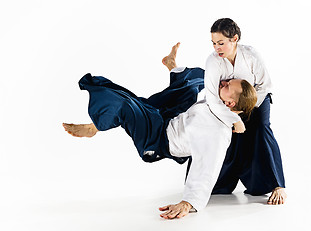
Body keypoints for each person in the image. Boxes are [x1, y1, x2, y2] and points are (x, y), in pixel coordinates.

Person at [63, 43, 258, 219]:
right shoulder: (222, 105)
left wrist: (189, 202)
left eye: (227, 86)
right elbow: (220, 87)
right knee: (196, 81)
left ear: (230, 103)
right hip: (173, 116)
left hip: (159, 138)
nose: (223, 82)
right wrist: (236, 119)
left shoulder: (217, 134)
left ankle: (94, 127)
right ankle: (172, 65)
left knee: (125, 104)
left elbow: (207, 168)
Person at [205, 18, 286, 205]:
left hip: (257, 99)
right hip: (225, 105)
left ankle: (277, 184)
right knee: (223, 135)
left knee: (261, 130)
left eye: (221, 43)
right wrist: (234, 118)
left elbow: (265, 86)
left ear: (234, 39)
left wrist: (246, 108)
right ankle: (214, 183)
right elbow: (212, 98)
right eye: (214, 43)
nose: (217, 48)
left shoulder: (251, 55)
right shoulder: (213, 61)